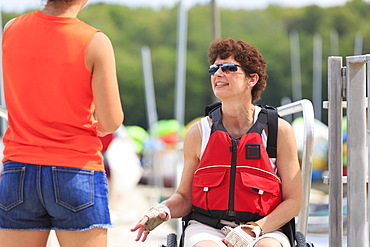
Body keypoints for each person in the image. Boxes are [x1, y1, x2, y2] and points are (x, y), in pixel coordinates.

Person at [131, 38, 302, 247]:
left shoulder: (278, 131)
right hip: (207, 227)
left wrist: (255, 229)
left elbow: (293, 200)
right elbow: (184, 197)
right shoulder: (198, 132)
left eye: (229, 68)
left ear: (252, 79)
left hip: (264, 227)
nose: (219, 74)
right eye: (214, 69)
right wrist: (162, 210)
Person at [0, 0, 123, 246]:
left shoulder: (11, 28)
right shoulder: (95, 41)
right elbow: (111, 121)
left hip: (19, 169)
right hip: (76, 168)